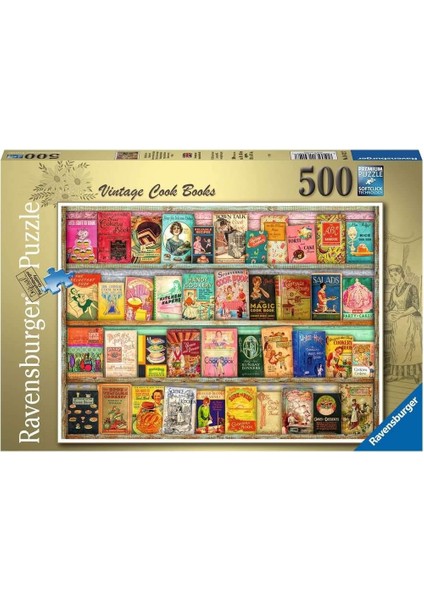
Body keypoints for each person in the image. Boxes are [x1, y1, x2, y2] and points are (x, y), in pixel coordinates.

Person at [386, 265, 422, 383]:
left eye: (395, 275)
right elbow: (390, 306)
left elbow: (415, 306)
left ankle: (416, 373)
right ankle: (396, 374)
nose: (393, 278)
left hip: (410, 319)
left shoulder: (411, 288)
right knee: (397, 347)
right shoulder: (393, 290)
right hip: (398, 322)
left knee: (411, 347)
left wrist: (401, 314)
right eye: (391, 276)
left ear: (401, 274)